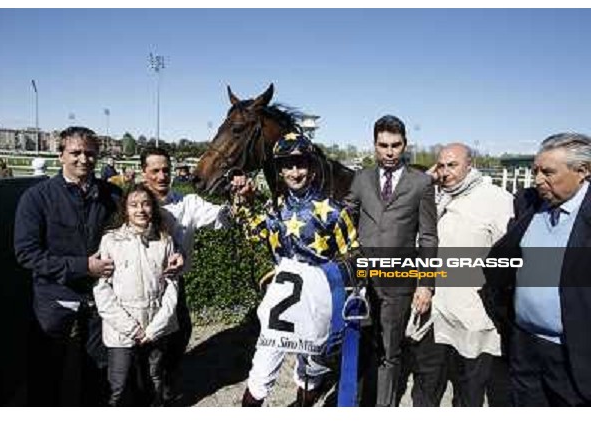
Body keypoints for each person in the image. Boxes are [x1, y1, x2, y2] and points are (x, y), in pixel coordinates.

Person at [231, 132, 359, 407]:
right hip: (281, 308)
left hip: (317, 304)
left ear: (312, 168)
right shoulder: (275, 210)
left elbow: (353, 253)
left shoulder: (335, 211)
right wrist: (241, 201)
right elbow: (255, 234)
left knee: (310, 374)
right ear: (280, 170)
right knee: (261, 372)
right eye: (288, 165)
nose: (295, 171)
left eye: (301, 164)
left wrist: (328, 279)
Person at [14, 126, 121, 406]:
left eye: (89, 153)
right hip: (54, 300)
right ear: (60, 155)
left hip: (100, 299)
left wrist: (169, 250)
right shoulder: (36, 198)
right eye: (75, 152)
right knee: (45, 375)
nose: (83, 159)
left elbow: (134, 233)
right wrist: (83, 266)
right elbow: (27, 254)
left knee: (97, 373)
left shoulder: (113, 195)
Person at [484, 132, 591, 406]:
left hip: (573, 355)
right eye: (535, 171)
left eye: (548, 172)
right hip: (524, 345)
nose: (538, 180)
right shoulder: (529, 202)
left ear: (583, 172)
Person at [345, 115, 438, 407]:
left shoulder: (421, 183)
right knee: (358, 347)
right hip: (361, 281)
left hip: (398, 283)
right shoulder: (360, 179)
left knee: (389, 352)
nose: (389, 151)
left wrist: (426, 284)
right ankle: (357, 403)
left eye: (395, 145)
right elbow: (345, 220)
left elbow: (428, 237)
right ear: (374, 145)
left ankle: (384, 407)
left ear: (405, 145)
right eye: (383, 145)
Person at [410, 143, 513, 406]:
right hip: (433, 314)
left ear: (471, 165)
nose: (445, 172)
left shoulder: (497, 200)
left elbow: (510, 259)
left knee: (468, 391)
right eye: (441, 165)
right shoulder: (434, 196)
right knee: (425, 385)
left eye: (452, 165)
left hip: (471, 318)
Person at [140, 146, 231, 403]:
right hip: (138, 289)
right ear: (144, 172)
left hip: (174, 286)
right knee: (146, 346)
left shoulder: (187, 202)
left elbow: (221, 216)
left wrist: (237, 200)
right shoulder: (132, 203)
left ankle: (165, 386)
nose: (161, 176)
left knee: (180, 335)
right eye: (155, 171)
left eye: (165, 170)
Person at [94, 183, 179, 406]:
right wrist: (132, 329)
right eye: (134, 205)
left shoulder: (165, 240)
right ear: (125, 209)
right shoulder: (111, 241)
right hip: (121, 328)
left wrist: (154, 329)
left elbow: (172, 288)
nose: (140, 210)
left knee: (154, 378)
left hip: (156, 326)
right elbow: (102, 290)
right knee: (118, 384)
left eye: (146, 204)